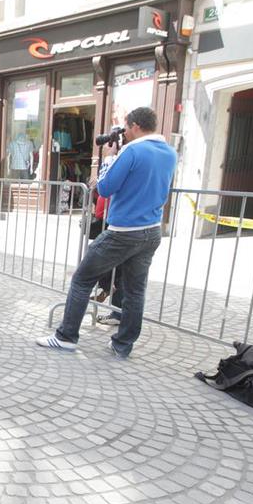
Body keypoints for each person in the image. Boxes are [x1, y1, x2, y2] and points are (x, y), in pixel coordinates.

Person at [37, 107, 177, 358]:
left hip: (123, 231)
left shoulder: (132, 151)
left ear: (135, 126)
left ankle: (66, 337)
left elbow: (104, 187)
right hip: (152, 230)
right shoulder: (169, 152)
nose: (125, 133)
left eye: (126, 128)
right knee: (135, 290)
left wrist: (110, 158)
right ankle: (122, 345)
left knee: (82, 279)